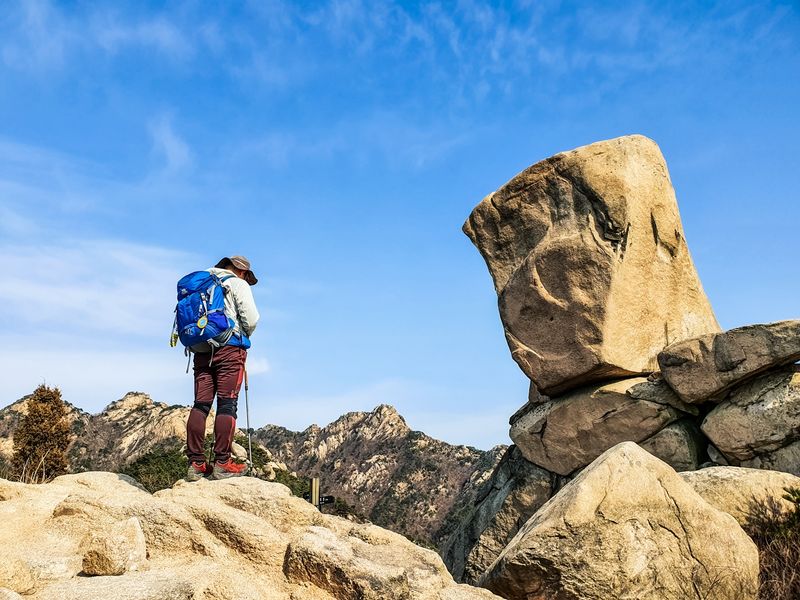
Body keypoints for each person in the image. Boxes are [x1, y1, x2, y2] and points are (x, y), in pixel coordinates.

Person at [185, 255, 260, 481]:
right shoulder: (237, 283)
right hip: (230, 349)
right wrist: (244, 333)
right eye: (246, 274)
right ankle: (222, 463)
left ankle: (196, 464)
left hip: (201, 351)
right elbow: (251, 319)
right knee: (227, 403)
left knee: (201, 405)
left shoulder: (202, 282)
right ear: (242, 271)